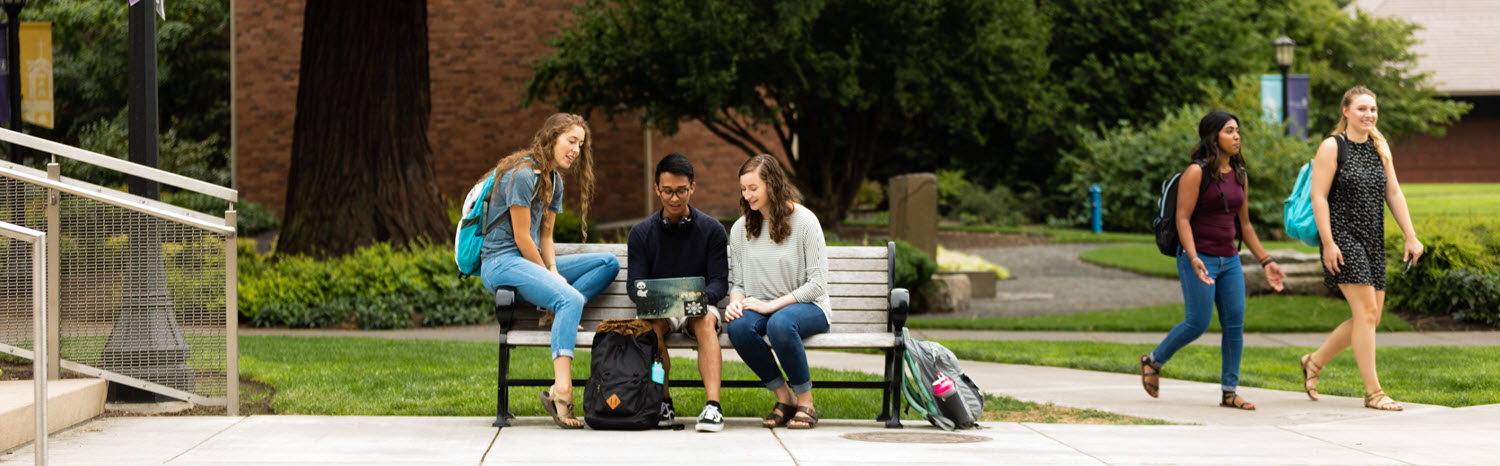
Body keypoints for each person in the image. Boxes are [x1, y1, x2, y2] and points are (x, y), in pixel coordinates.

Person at [477, 113, 619, 429]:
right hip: (500, 262)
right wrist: (552, 280)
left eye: (581, 144)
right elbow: (521, 237)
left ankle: (558, 311)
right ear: (552, 137)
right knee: (570, 299)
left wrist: (552, 271)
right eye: (571, 141)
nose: (576, 150)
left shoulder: (553, 181)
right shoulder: (523, 174)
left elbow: (545, 237)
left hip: (527, 260)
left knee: (607, 263)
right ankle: (562, 390)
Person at [1140, 111, 1287, 410]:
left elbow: (1244, 226)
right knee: (1198, 322)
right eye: (1229, 131)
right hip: (1199, 256)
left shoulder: (1240, 175)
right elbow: (1182, 218)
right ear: (1213, 136)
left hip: (1230, 260)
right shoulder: (1196, 172)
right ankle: (1153, 361)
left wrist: (1266, 260)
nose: (1237, 137)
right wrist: (1193, 257)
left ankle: (1229, 391)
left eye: (1238, 131)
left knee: (1235, 326)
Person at [1300, 86, 1422, 411]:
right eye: (1362, 109)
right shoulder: (1332, 147)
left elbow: (1394, 193)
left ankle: (1313, 362)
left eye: (1373, 109)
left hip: (1373, 239)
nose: (1369, 114)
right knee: (1366, 313)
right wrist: (1328, 243)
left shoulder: (1379, 147)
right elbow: (1318, 197)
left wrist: (1411, 235)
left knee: (1371, 316)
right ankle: (1373, 393)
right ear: (1346, 111)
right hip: (1342, 238)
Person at [724, 154, 831, 429]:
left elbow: (817, 285)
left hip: (809, 307)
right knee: (737, 326)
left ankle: (805, 402)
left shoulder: (805, 222)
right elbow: (739, 283)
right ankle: (784, 398)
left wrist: (772, 307)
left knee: (780, 323)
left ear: (771, 185)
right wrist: (735, 302)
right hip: (762, 308)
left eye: (753, 188)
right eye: (743, 189)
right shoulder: (740, 229)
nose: (747, 195)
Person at [626, 152, 730, 432]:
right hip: (660, 307)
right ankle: (663, 403)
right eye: (668, 191)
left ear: (692, 188)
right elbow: (634, 284)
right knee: (648, 326)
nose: (674, 198)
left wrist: (698, 298)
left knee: (706, 320)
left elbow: (720, 281)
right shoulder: (640, 233)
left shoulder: (712, 230)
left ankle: (713, 407)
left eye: (682, 191)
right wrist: (658, 298)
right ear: (657, 189)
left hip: (699, 303)